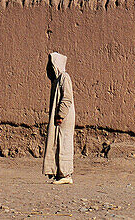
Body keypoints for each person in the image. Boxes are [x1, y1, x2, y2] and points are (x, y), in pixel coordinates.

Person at [43, 51, 75, 184]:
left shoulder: (64, 77)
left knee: (64, 143)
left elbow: (67, 98)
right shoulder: (57, 80)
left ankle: (66, 174)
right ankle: (58, 172)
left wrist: (61, 115)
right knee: (57, 143)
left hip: (64, 116)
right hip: (59, 117)